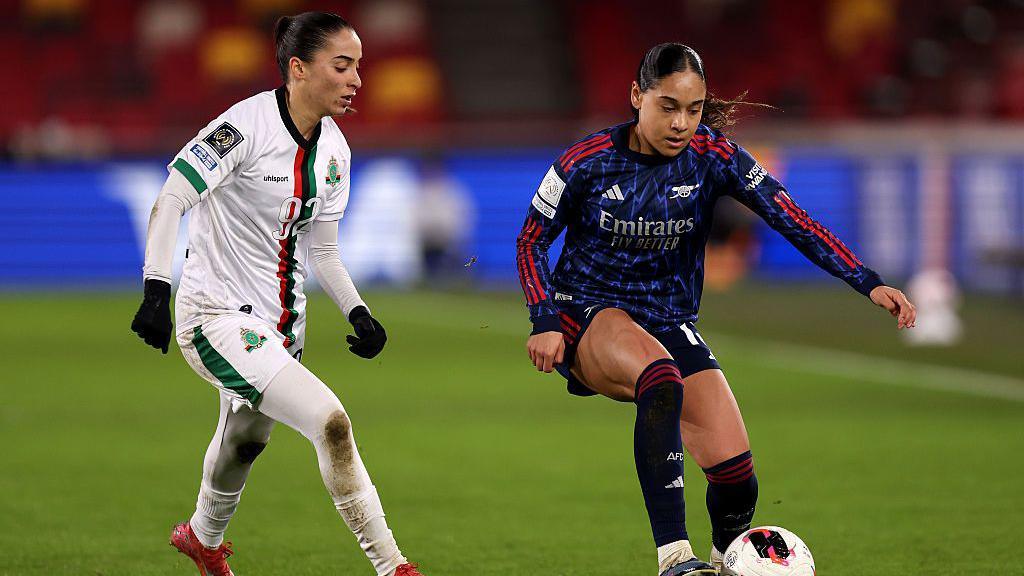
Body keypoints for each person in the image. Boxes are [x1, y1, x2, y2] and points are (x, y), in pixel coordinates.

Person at [515, 43, 916, 576]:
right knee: (660, 377)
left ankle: (727, 564)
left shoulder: (715, 157)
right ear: (636, 96)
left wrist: (866, 281)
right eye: (667, 106)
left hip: (666, 319)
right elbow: (531, 241)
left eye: (694, 108)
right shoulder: (584, 162)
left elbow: (792, 218)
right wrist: (544, 320)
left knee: (737, 477)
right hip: (587, 313)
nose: (681, 123)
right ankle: (675, 558)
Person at [130, 12, 424, 576]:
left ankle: (202, 539)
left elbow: (324, 251)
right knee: (330, 421)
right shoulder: (242, 128)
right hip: (215, 316)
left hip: (282, 327)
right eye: (343, 65)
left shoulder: (336, 150)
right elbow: (171, 199)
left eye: (358, 66)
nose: (356, 79)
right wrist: (155, 289)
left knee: (243, 441)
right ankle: (393, 566)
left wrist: (359, 312)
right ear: (299, 68)